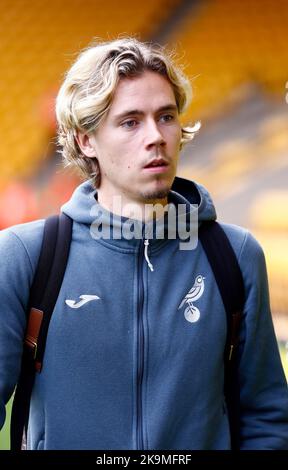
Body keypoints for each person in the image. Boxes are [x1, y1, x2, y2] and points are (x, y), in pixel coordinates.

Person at [0, 37, 288, 451]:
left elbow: (267, 416)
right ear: (86, 140)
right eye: (131, 121)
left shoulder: (236, 256)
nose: (156, 136)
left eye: (166, 116)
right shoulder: (24, 257)